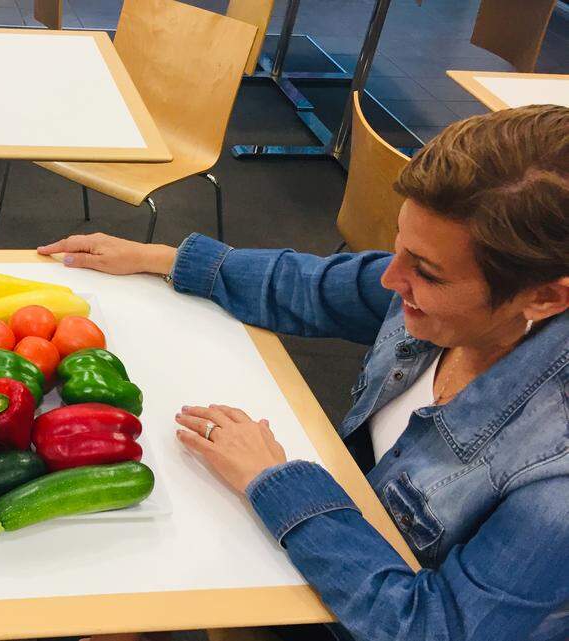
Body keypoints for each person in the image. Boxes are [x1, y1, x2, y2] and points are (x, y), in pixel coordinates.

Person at [39, 105, 569, 641]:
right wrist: (164, 258)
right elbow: (313, 286)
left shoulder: (555, 484)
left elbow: (432, 629)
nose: (390, 279)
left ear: (546, 297)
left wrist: (276, 482)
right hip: (329, 548)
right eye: (399, 248)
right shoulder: (450, 293)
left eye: (425, 272)